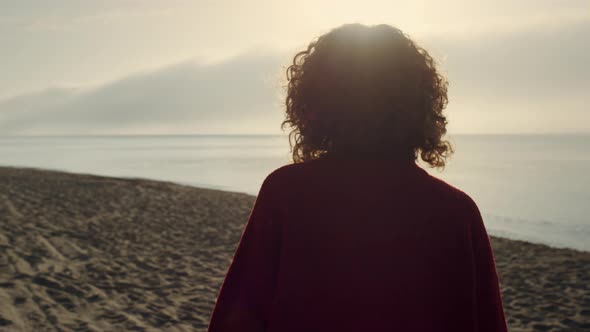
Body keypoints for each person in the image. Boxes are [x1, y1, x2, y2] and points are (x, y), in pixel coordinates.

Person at [208, 23, 508, 332]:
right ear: (420, 104)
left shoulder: (286, 193)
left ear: (314, 102)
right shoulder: (456, 212)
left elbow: (238, 318)